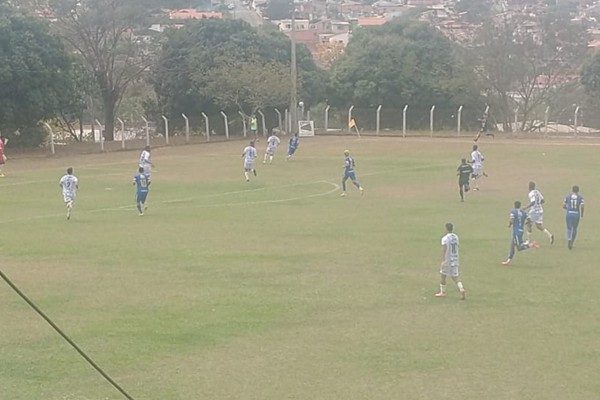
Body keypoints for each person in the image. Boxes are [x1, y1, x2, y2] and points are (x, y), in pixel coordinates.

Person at [502, 201, 539, 265]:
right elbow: (529, 220)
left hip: (516, 232)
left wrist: (509, 224)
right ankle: (508, 261)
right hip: (520, 231)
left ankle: (531, 244)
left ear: (514, 205)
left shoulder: (513, 212)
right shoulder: (524, 212)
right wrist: (526, 224)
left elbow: (512, 220)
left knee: (519, 248)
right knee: (512, 246)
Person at [435, 223, 466, 300]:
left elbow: (444, 249)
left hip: (448, 260)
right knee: (455, 276)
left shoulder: (445, 238)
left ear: (446, 229)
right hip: (455, 258)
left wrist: (443, 260)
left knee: (443, 275)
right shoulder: (456, 237)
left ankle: (443, 292)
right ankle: (461, 288)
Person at [563, 185, 584, 250]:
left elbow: (563, 205)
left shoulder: (568, 196)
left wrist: (568, 209)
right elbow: (582, 206)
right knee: (575, 228)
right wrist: (582, 214)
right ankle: (572, 242)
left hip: (569, 214)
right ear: (578, 190)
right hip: (576, 214)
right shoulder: (580, 197)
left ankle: (569, 239)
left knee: (569, 228)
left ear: (572, 190)